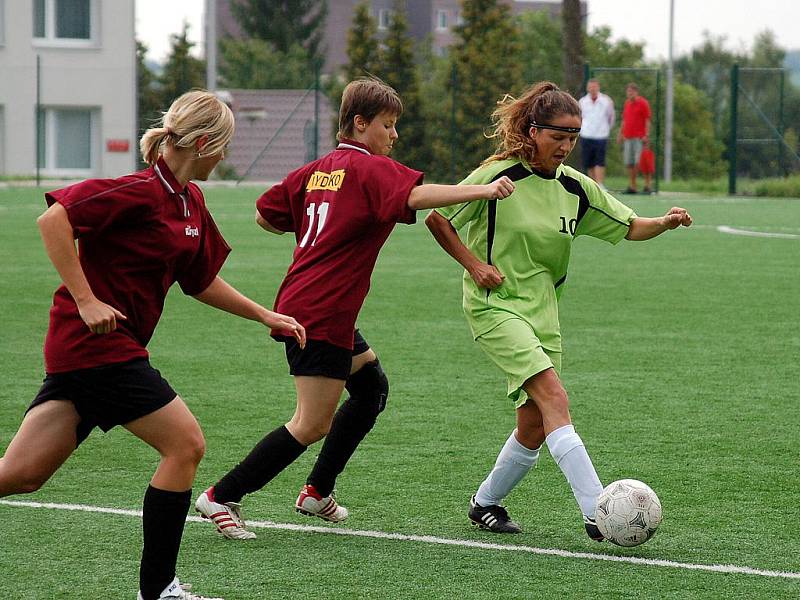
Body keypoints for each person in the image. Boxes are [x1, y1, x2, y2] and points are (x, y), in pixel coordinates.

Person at [0, 90, 306, 600]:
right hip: (97, 346)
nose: (225, 156)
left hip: (92, 354)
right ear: (204, 143)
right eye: (223, 146)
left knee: (22, 474)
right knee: (185, 444)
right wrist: (86, 299)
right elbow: (53, 220)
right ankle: (159, 589)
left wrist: (263, 315)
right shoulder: (140, 190)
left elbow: (200, 279)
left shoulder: (189, 200)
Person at [194, 77, 515, 539]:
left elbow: (265, 215)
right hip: (319, 311)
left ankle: (317, 492)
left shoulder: (319, 169)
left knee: (370, 389)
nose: (394, 135)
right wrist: (484, 191)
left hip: (319, 304)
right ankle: (221, 496)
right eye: (388, 125)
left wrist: (322, 232)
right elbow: (417, 196)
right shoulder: (370, 169)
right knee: (310, 423)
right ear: (360, 124)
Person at [425, 81, 691, 539]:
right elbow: (437, 217)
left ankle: (484, 502)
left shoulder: (575, 187)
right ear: (532, 131)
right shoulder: (498, 176)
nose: (567, 146)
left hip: (544, 313)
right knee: (555, 399)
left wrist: (664, 223)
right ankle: (597, 511)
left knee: (533, 424)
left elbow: (629, 226)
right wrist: (475, 265)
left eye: (573, 137)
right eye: (558, 136)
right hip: (496, 307)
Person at [578, 78, 615, 188]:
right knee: (589, 162)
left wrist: (606, 130)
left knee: (599, 161)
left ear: (598, 87)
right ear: (587, 88)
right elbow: (580, 117)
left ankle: (600, 184)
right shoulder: (582, 102)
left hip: (601, 135)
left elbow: (611, 117)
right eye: (590, 87)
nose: (592, 89)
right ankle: (592, 185)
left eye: (594, 87)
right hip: (586, 134)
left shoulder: (606, 101)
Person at [617, 82, 652, 194]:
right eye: (628, 91)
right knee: (629, 162)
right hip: (628, 137)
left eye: (632, 91)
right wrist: (620, 134)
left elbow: (647, 120)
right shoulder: (627, 103)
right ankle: (633, 186)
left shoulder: (643, 103)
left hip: (639, 138)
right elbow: (624, 120)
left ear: (636, 92)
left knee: (641, 162)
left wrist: (646, 135)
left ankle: (647, 185)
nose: (630, 93)